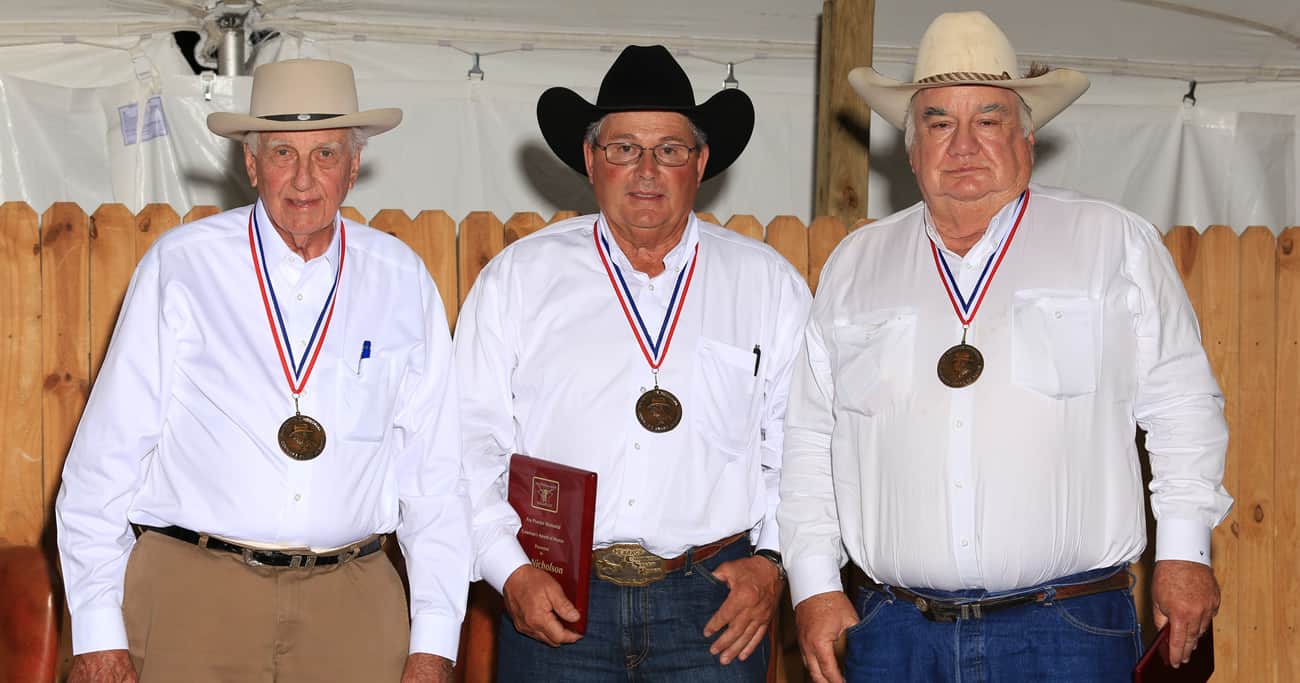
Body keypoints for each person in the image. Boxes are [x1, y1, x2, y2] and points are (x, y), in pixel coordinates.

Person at [778, 12, 1232, 683]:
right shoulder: (855, 266)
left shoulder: (1112, 243)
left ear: (1027, 136)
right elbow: (809, 439)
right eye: (938, 122)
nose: (963, 143)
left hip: (1070, 630)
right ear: (911, 146)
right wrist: (815, 585)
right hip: (897, 633)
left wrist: (1187, 551)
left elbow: (1184, 407)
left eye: (988, 119)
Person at [56, 59, 469, 683]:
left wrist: (434, 642)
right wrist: (95, 630)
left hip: (354, 605)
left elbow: (436, 477)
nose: (304, 179)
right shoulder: (182, 267)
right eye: (282, 153)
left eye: (326, 154)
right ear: (251, 165)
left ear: (354, 167)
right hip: (191, 598)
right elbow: (103, 461)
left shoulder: (402, 279)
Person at [455, 45, 812, 681]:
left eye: (670, 149)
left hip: (714, 601)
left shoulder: (766, 285)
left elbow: (801, 444)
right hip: (556, 594)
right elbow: (469, 438)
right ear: (591, 160)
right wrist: (507, 569)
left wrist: (775, 563)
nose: (646, 169)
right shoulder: (520, 278)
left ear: (700, 162)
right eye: (624, 148)